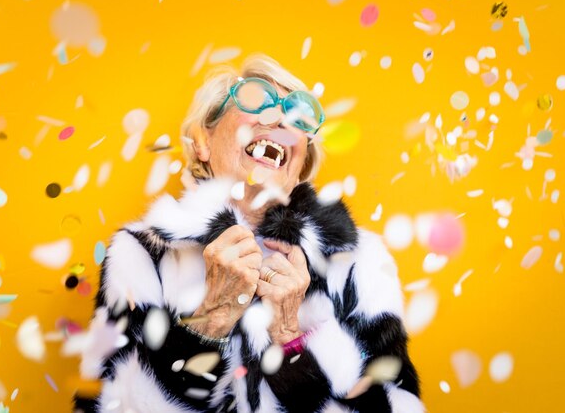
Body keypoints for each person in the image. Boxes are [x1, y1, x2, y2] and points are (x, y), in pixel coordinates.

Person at [73, 53, 423, 413]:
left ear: (300, 165)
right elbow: (107, 405)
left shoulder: (359, 261)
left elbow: (398, 405)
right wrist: (210, 320)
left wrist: (290, 339)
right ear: (203, 143)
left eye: (297, 116)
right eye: (256, 99)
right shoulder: (141, 255)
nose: (279, 119)